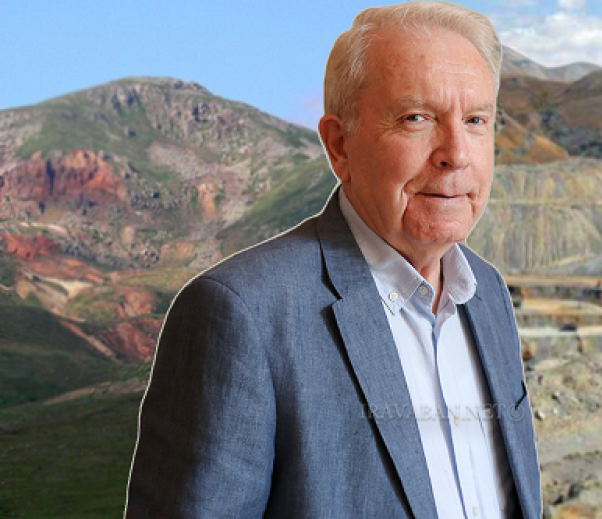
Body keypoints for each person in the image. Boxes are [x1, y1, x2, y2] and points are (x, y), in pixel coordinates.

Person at [125, 2, 541, 518]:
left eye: (476, 120)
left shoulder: (488, 292)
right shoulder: (240, 314)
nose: (456, 153)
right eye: (417, 118)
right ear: (339, 145)